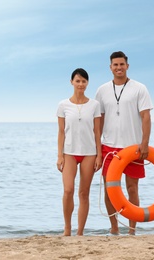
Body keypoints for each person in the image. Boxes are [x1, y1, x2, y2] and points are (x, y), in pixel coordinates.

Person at [95, 51, 153, 235]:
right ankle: (114, 229)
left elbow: (146, 117)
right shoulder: (102, 90)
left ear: (127, 66)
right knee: (110, 190)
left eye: (122, 64)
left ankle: (131, 230)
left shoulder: (139, 88)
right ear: (110, 67)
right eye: (115, 65)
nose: (119, 67)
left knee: (132, 188)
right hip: (110, 147)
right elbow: (99, 121)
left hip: (133, 147)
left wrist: (144, 143)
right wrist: (97, 148)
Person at [56, 68, 102, 236]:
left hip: (89, 153)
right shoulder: (63, 105)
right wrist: (59, 155)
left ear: (87, 83)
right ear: (71, 82)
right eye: (78, 81)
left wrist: (99, 155)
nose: (81, 84)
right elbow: (61, 132)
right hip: (69, 153)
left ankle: (80, 232)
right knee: (68, 190)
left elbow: (97, 132)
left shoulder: (94, 105)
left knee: (84, 193)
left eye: (83, 81)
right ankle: (67, 228)